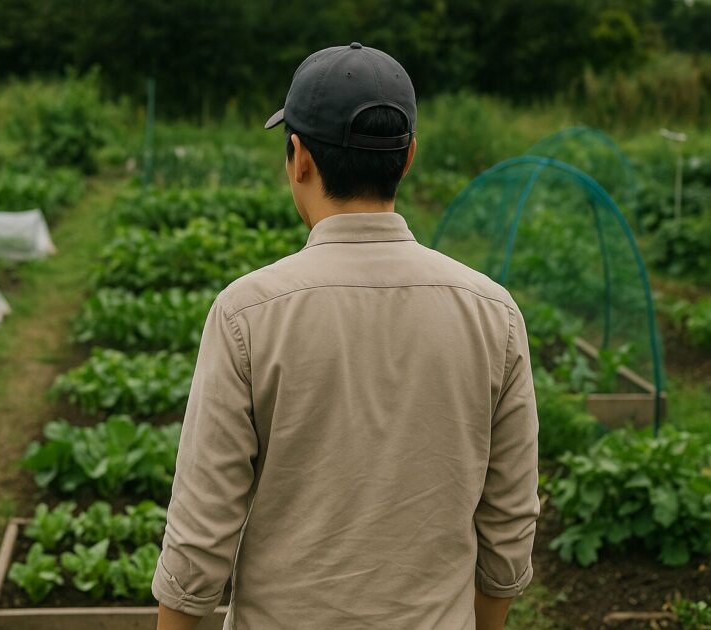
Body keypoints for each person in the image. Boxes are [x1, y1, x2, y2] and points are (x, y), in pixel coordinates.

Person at [153, 43, 540, 630]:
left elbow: (199, 538)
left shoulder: (247, 314)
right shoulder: (492, 313)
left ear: (299, 156)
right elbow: (509, 522)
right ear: (407, 157)